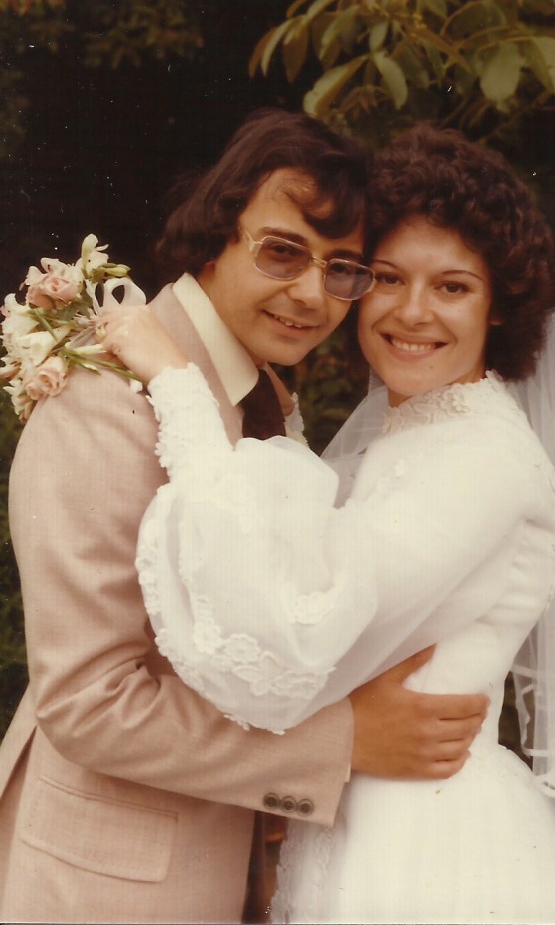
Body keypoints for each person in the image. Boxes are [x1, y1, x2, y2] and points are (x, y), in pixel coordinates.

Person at [101, 123, 555, 925]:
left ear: (500, 308)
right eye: (386, 278)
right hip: (361, 829)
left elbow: (295, 632)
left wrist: (178, 389)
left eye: (452, 287)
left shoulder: (483, 459)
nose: (414, 312)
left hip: (431, 850)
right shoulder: (415, 431)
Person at [0, 111, 489, 925]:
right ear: (215, 234)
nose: (310, 295)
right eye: (282, 251)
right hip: (108, 888)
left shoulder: (258, 395)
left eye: (341, 268)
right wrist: (341, 743)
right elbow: (88, 700)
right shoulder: (108, 403)